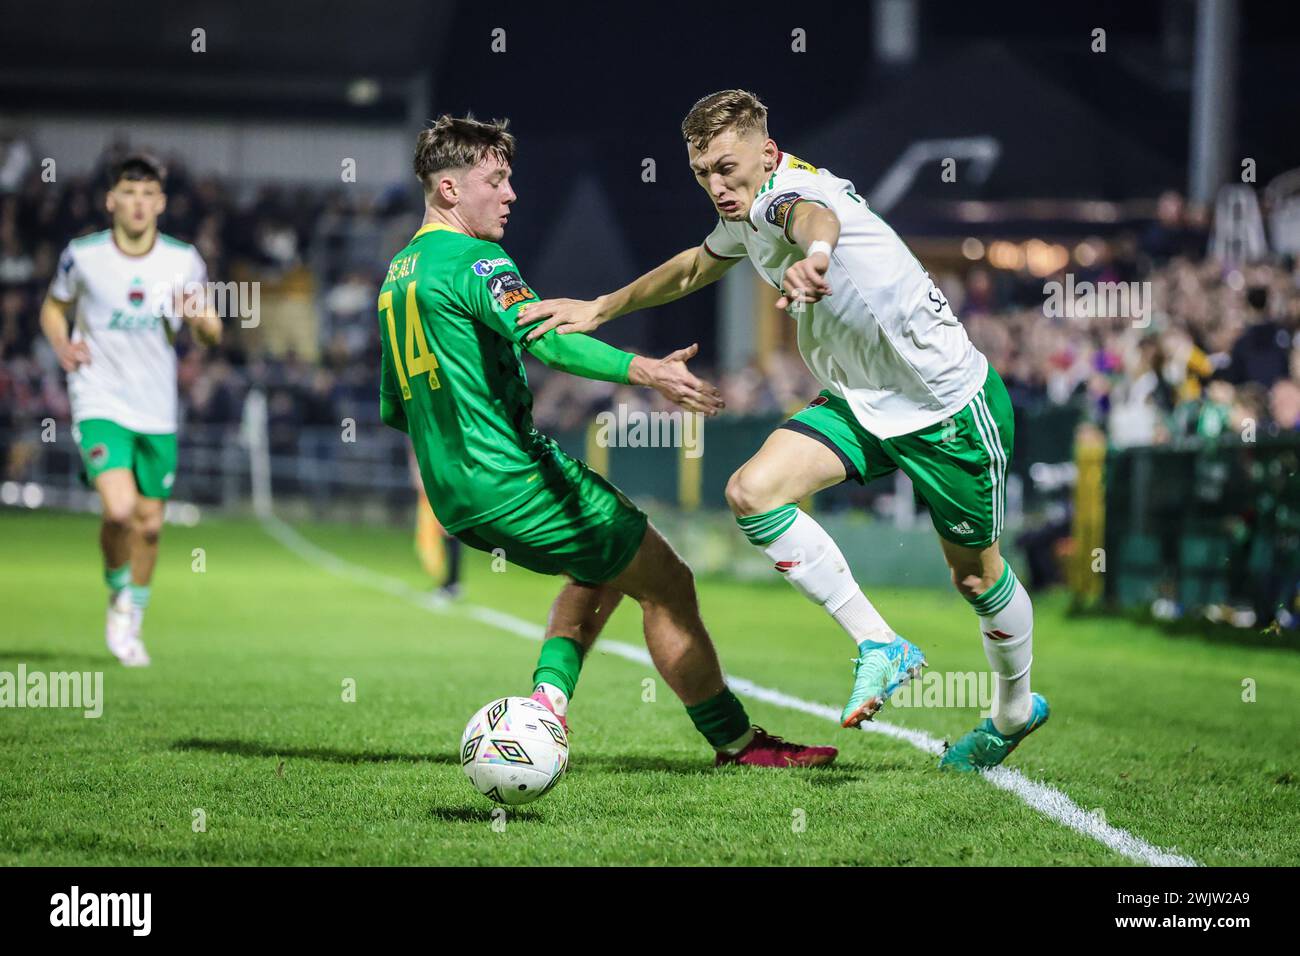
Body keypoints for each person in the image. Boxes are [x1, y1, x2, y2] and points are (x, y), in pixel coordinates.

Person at [519, 90, 1048, 772]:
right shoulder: (743, 213)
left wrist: (818, 256)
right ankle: (880, 644)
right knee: (753, 491)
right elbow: (694, 265)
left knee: (976, 579)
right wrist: (601, 307)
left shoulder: (782, 196)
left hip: (945, 407)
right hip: (861, 402)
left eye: (727, 167)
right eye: (703, 172)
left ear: (767, 156)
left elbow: (813, 218)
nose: (716, 185)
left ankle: (1012, 710)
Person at [379, 114, 836, 768]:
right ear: (449, 189)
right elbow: (548, 334)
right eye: (497, 181)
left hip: (456, 492)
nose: (511, 195)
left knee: (609, 553)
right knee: (668, 580)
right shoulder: (475, 258)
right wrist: (644, 370)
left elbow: (398, 405)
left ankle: (547, 702)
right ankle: (739, 744)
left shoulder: (398, 274)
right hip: (511, 477)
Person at [40, 153, 222, 666]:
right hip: (98, 397)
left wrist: (201, 322)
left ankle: (131, 614)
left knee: (149, 525)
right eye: (129, 193)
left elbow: (212, 329)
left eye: (148, 195)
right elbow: (54, 307)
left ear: (160, 203)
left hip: (156, 408)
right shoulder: (83, 256)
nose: (138, 204)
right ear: (111, 200)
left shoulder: (182, 260)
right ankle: (117, 593)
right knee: (118, 509)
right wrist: (60, 345)